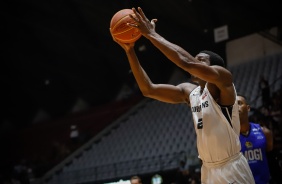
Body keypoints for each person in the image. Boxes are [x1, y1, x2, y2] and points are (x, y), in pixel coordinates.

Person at [110, 7, 255, 184]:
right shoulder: (189, 92)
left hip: (231, 168)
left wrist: (150, 34)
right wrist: (129, 50)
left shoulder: (223, 81)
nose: (195, 60)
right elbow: (148, 89)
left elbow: (186, 62)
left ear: (213, 67)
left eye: (200, 59)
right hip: (208, 170)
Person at [237, 94, 273, 184]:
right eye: (233, 105)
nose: (236, 107)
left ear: (248, 108)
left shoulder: (265, 133)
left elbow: (272, 162)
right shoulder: (228, 138)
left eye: (239, 103)